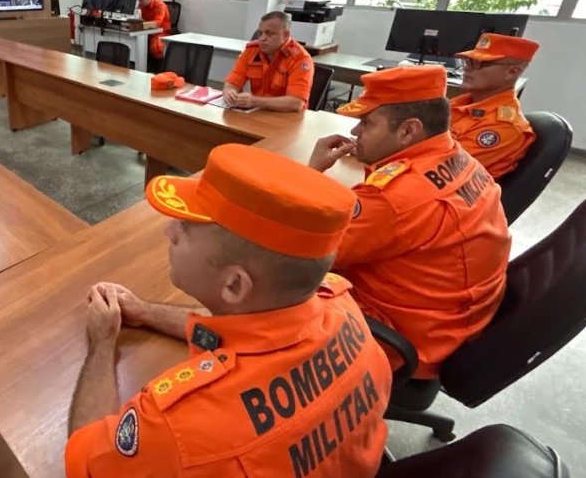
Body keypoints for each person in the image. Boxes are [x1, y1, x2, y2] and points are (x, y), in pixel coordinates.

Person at [66, 144, 392, 477]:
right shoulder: (340, 304)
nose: (169, 230)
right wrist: (145, 312)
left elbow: (84, 460)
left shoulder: (181, 429)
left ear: (235, 286)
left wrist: (103, 342)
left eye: (186, 229)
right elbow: (238, 332)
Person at [309, 66, 510, 378]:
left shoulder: (395, 197)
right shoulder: (460, 157)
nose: (354, 133)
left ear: (408, 131)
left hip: (403, 341)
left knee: (260, 282)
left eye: (366, 123)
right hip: (453, 322)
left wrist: (309, 176)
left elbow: (305, 252)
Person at [451, 33, 539, 179]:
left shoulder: (503, 126)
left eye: (480, 63)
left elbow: (446, 167)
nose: (468, 69)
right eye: (469, 61)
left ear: (512, 72)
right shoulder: (461, 102)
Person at [223, 11, 314, 112]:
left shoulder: (300, 59)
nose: (262, 38)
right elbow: (233, 81)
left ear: (285, 35)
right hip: (256, 114)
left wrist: (255, 101)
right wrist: (229, 92)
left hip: (285, 118)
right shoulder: (252, 50)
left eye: (269, 34)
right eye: (260, 33)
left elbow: (297, 103)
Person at [137, 0, 174, 64]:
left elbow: (157, 23)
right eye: (139, 0)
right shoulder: (142, 5)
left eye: (141, 0)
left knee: (156, 48)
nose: (139, 2)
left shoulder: (160, 5)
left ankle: (158, 69)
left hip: (161, 32)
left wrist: (141, 25)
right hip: (146, 31)